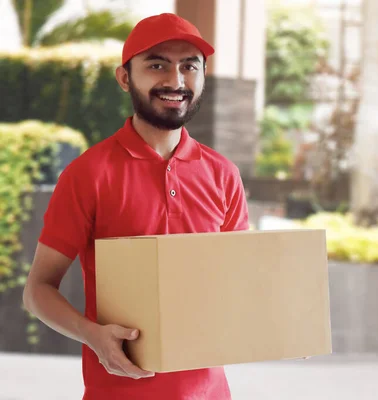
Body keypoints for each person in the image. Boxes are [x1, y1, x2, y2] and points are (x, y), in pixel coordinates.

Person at [22, 13, 249, 400]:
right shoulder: (88, 174)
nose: (175, 81)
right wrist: (92, 335)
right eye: (157, 64)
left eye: (189, 66)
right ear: (125, 77)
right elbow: (37, 291)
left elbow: (240, 283)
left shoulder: (223, 174)